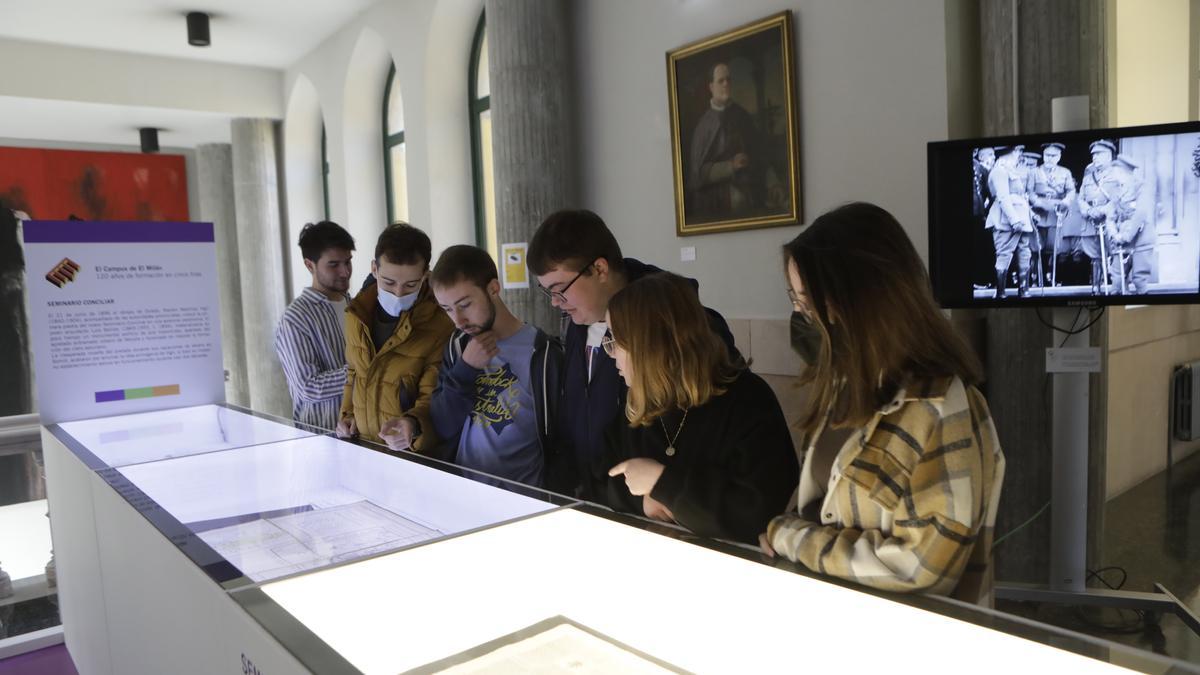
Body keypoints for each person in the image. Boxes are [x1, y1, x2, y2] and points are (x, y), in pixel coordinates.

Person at [761, 202, 1005, 604]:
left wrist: (789, 537)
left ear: (863, 300)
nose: (803, 318)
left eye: (809, 303)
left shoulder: (946, 408)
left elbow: (920, 570)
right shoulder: (843, 386)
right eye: (797, 301)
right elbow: (816, 505)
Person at [528, 209, 738, 498]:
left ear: (600, 269)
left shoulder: (680, 324)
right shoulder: (581, 320)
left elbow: (712, 432)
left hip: (664, 505)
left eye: (560, 288)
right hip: (599, 498)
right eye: (547, 291)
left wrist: (663, 492)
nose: (554, 302)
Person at [594, 271, 798, 544]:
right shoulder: (640, 400)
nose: (611, 353)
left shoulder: (748, 400)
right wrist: (643, 502)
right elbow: (604, 477)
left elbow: (758, 512)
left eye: (616, 341)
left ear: (650, 345)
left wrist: (662, 482)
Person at [429, 245, 563, 487]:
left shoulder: (543, 354)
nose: (458, 320)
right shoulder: (458, 347)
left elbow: (561, 441)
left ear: (493, 288)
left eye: (465, 304)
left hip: (526, 502)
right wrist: (465, 369)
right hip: (464, 493)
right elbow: (443, 426)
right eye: (447, 309)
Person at [338, 223, 454, 452]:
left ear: (425, 276)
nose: (398, 293)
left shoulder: (440, 324)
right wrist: (348, 415)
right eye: (389, 282)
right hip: (363, 449)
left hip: (409, 454)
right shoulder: (356, 314)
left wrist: (413, 424)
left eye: (411, 285)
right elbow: (354, 373)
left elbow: (433, 394)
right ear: (374, 269)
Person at [274, 221, 355, 431]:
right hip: (322, 438)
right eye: (334, 264)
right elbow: (308, 387)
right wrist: (360, 371)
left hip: (362, 432)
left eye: (348, 262)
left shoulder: (357, 306)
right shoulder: (295, 318)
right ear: (310, 265)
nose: (345, 272)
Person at [686, 62, 784, 222]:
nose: (726, 84)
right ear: (711, 87)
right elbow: (697, 174)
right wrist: (730, 165)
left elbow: (759, 154)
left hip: (752, 190)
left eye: (728, 80)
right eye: (721, 81)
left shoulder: (742, 115)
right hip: (717, 198)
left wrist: (773, 183)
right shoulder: (704, 126)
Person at [985, 144, 1034, 297]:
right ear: (1007, 155)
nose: (1018, 156)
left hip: (1022, 221)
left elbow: (1021, 197)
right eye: (1016, 153)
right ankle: (1000, 293)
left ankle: (1023, 291)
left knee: (1024, 253)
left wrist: (1030, 216)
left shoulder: (1011, 171)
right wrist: (1014, 220)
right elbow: (1003, 197)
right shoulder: (999, 171)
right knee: (1004, 254)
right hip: (1005, 221)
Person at [1028, 142, 1077, 287]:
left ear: (1059, 157)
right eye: (1047, 155)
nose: (1049, 158)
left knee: (1053, 247)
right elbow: (1029, 192)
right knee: (1036, 247)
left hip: (1056, 212)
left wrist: (1066, 202)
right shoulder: (1034, 172)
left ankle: (1052, 278)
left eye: (1053, 156)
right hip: (1039, 212)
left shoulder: (1065, 172)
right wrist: (1039, 203)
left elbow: (1071, 191)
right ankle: (1036, 278)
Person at [1105, 154, 1151, 294]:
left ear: (1124, 172)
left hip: (1141, 240)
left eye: (1116, 172)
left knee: (1139, 280)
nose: (1114, 175)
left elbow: (1140, 214)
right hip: (1120, 242)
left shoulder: (1142, 188)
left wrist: (1125, 236)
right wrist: (1114, 234)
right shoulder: (1116, 190)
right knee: (1117, 283)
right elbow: (1110, 216)